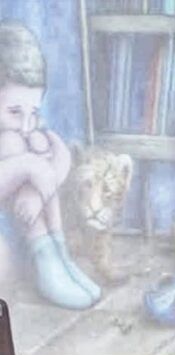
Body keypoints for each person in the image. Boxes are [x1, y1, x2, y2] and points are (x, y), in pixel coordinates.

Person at [0, 19, 100, 308]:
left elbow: (62, 154)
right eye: (15, 112)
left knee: (36, 146)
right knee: (15, 146)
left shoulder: (27, 130)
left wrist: (37, 192)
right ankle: (45, 256)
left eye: (33, 112)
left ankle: (57, 252)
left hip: (27, 200)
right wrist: (29, 166)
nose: (26, 123)